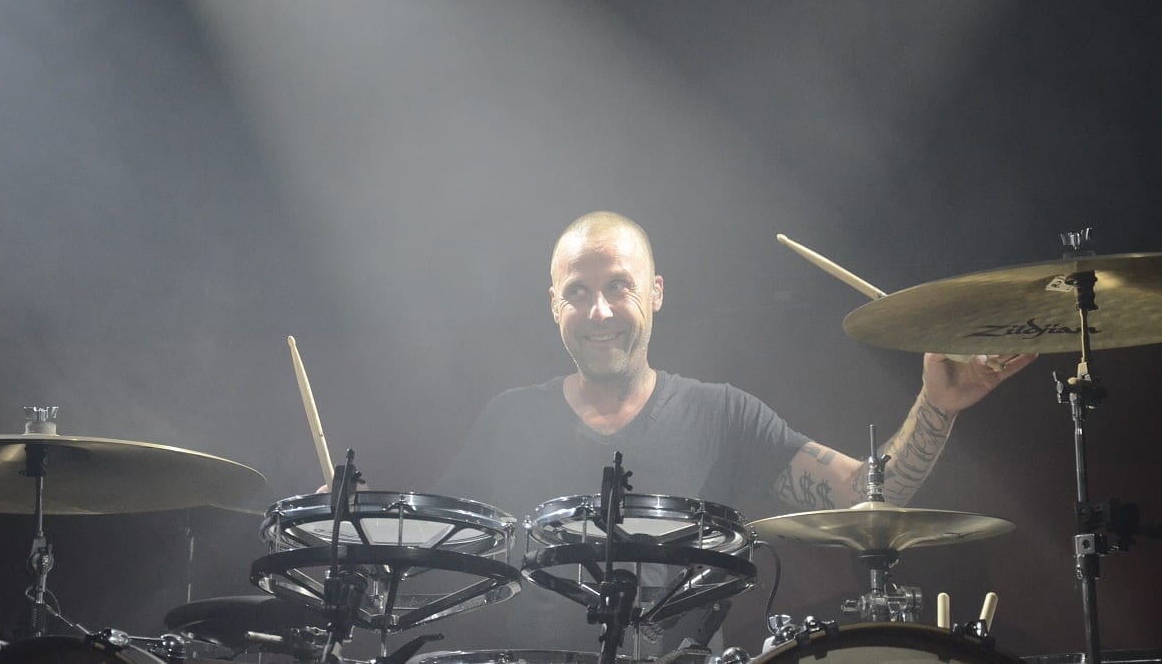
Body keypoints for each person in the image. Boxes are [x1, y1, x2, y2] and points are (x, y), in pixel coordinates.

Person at [427, 211, 1034, 655]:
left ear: (656, 293)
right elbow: (431, 545)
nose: (600, 311)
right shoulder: (509, 419)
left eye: (618, 285)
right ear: (554, 305)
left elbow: (864, 496)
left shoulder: (723, 414)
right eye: (577, 293)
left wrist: (936, 406)